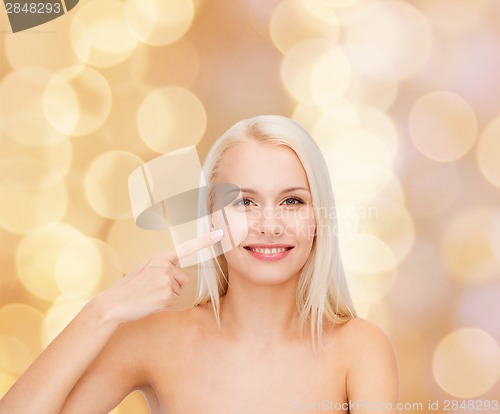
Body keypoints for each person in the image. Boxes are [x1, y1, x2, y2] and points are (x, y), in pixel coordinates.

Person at [0, 115, 399, 413]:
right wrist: (102, 311)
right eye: (245, 202)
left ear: (318, 216)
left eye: (292, 201)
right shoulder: (155, 339)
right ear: (211, 216)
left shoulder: (359, 348)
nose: (270, 225)